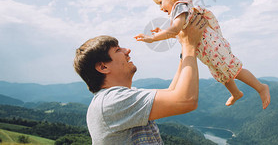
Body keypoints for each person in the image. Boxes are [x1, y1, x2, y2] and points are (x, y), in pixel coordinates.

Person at [134, 0, 271, 109]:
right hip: (208, 51)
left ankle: (261, 87)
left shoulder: (180, 7)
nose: (160, 7)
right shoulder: (180, 9)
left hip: (213, 47)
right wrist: (163, 31)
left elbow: (175, 30)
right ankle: (236, 93)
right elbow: (181, 31)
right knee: (221, 72)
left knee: (233, 68)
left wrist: (153, 38)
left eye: (160, 2)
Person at [74, 13, 206, 144]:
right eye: (118, 50)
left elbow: (173, 92)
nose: (128, 50)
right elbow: (186, 100)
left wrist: (185, 47)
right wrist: (190, 45)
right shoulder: (111, 101)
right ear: (103, 67)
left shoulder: (118, 97)